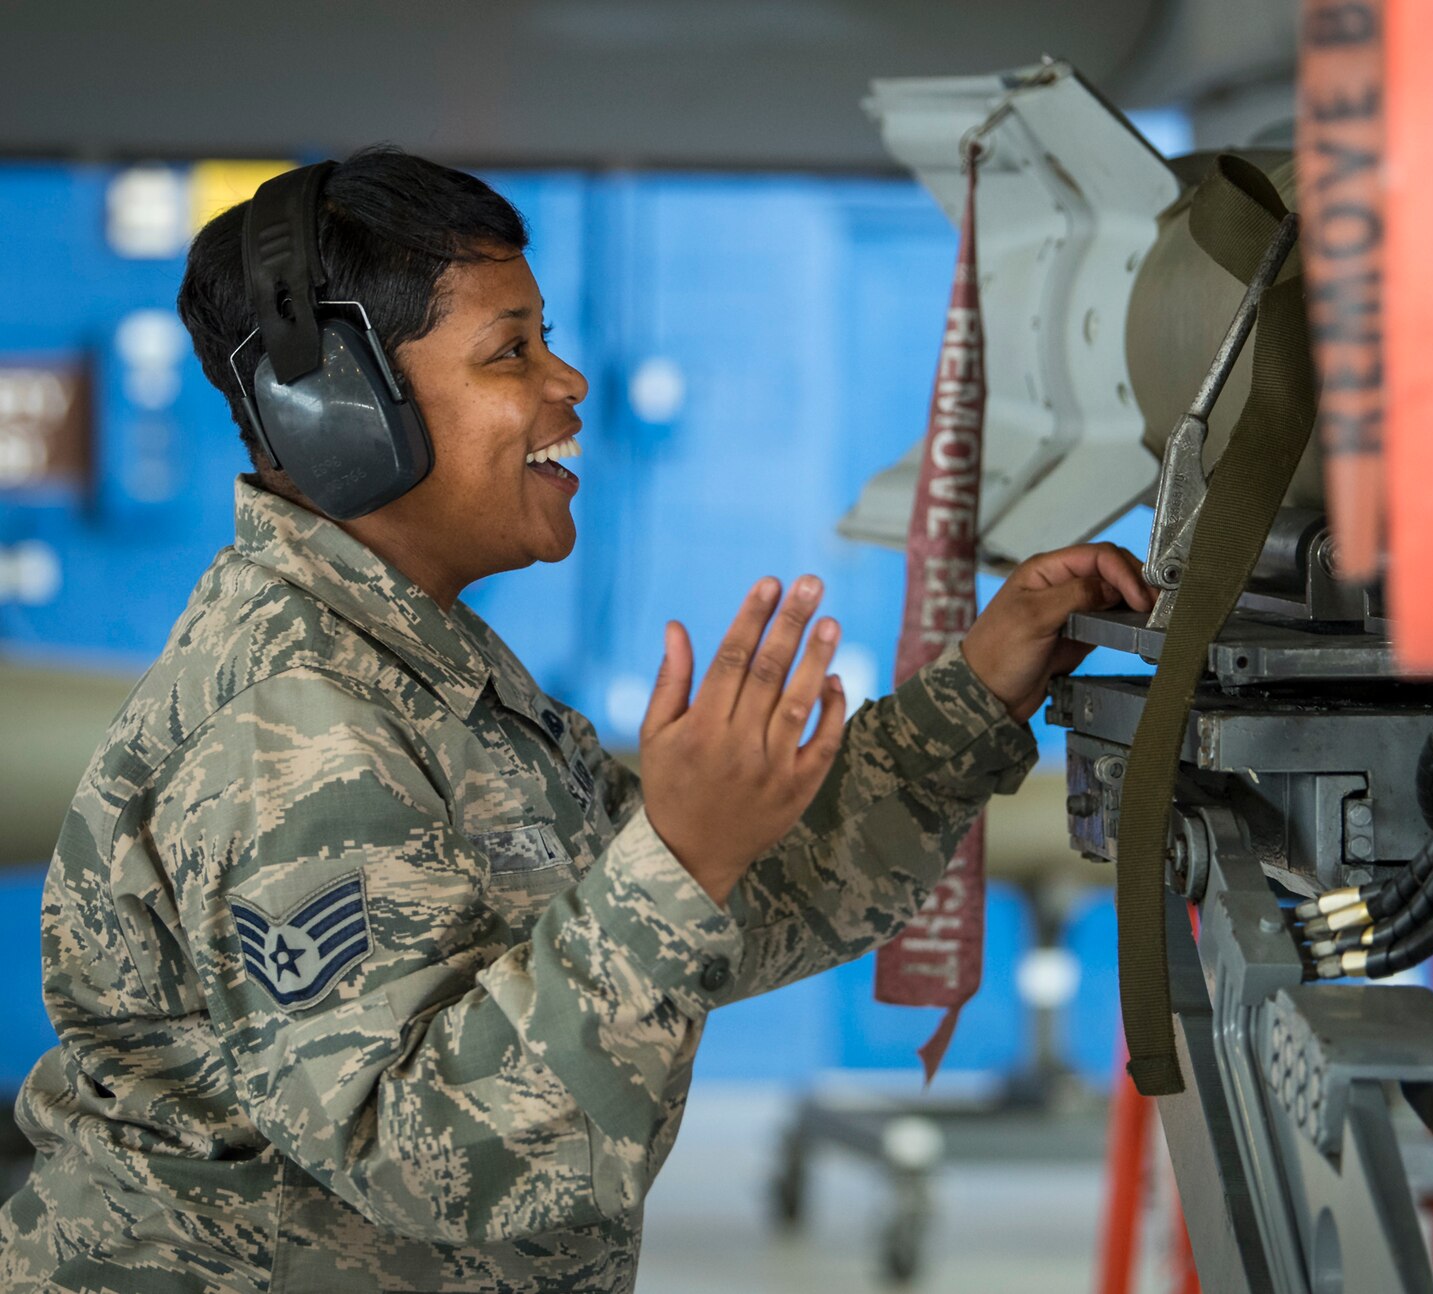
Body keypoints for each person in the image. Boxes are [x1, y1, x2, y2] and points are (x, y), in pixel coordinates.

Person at [0, 146, 1154, 1292]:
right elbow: (435, 1156)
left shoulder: (417, 667)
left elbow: (714, 909)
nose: (569, 384)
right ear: (340, 411)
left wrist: (974, 693)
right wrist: (681, 854)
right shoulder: (296, 726)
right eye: (512, 351)